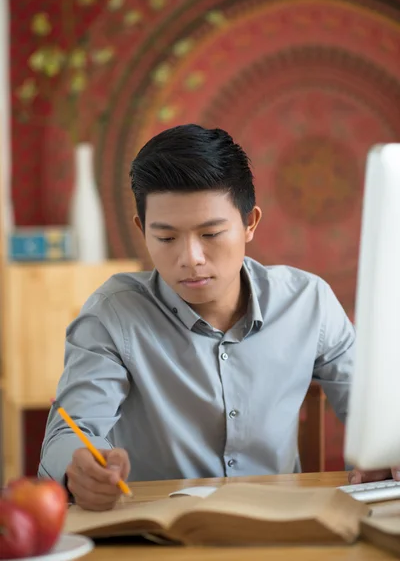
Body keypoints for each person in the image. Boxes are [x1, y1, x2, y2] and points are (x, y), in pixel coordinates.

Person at [39, 124, 399, 511]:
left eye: (210, 234)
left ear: (250, 224)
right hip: (162, 531)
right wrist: (81, 468)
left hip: (283, 526)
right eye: (166, 238)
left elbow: (379, 413)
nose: (190, 258)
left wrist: (385, 455)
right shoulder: (112, 314)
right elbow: (70, 431)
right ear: (142, 229)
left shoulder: (308, 303)